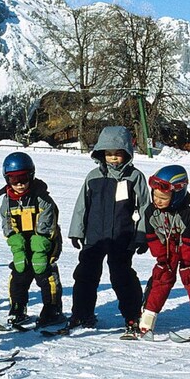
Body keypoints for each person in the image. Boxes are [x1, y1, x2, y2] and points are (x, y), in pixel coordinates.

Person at [66, 126, 150, 335]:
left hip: (122, 236)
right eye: (108, 153)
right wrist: (77, 231)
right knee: (85, 275)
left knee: (122, 276)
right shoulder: (93, 176)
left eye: (118, 153)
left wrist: (142, 235)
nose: (113, 158)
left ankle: (132, 315)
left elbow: (145, 207)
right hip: (94, 236)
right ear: (101, 153)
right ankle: (82, 313)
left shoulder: (135, 177)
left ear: (127, 153)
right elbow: (82, 205)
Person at [139, 164, 190, 338]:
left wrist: (187, 261)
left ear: (177, 195)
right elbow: (152, 236)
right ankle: (148, 314)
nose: (157, 200)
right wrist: (161, 257)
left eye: (163, 197)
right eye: (155, 196)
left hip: (187, 248)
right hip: (166, 247)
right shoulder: (151, 212)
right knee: (162, 274)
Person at [0, 151, 64, 328]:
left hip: (46, 243)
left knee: (44, 272)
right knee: (19, 273)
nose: (19, 184)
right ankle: (18, 307)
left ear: (31, 176)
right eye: (14, 179)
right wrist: (16, 245)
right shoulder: (7, 201)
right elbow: (7, 224)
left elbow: (47, 224)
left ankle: (52, 309)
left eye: (23, 178)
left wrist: (41, 248)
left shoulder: (42, 198)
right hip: (23, 244)